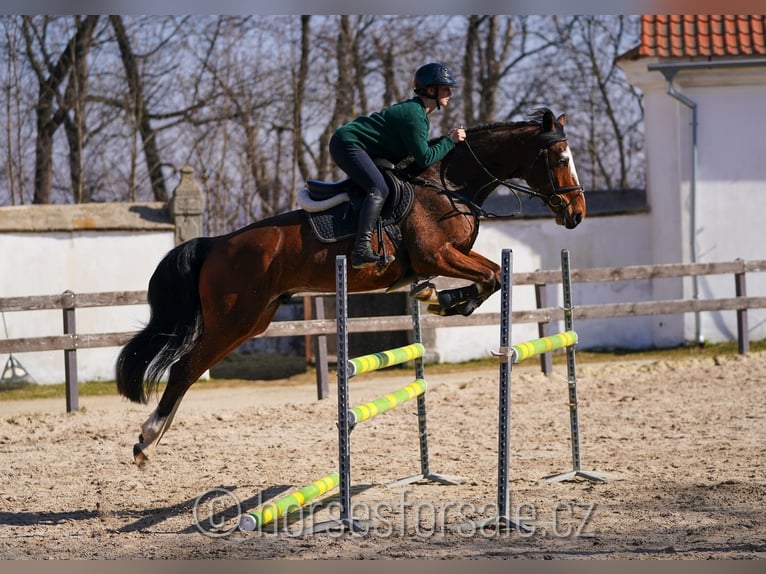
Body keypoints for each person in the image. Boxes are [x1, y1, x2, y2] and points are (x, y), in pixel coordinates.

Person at [330, 62, 467, 270]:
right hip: (348, 143)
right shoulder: (415, 116)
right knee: (379, 189)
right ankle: (360, 250)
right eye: (445, 88)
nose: (450, 93)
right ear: (431, 90)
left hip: (361, 147)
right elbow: (425, 159)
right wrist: (449, 141)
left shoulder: (418, 113)